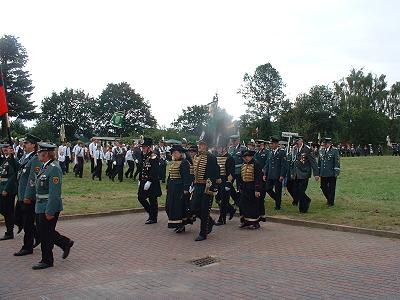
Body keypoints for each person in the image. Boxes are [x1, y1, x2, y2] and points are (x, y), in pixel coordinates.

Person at [32, 142, 74, 270]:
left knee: (45, 234)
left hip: (48, 207)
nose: (38, 154)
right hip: (41, 206)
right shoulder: (45, 166)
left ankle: (47, 260)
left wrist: (50, 211)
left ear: (45, 154)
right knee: (45, 232)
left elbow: (54, 193)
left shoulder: (54, 168)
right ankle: (65, 243)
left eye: (39, 152)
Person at [14, 134, 42, 256]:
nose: (24, 145)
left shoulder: (35, 159)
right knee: (19, 219)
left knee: (28, 223)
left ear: (33, 145)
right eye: (24, 143)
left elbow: (32, 180)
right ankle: (38, 237)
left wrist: (28, 196)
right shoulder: (26, 157)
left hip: (28, 197)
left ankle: (27, 247)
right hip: (21, 195)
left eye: (27, 143)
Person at [191, 133, 218, 241]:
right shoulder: (197, 156)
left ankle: (203, 233)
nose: (199, 146)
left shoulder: (211, 157)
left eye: (201, 145)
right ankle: (210, 222)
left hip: (207, 187)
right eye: (199, 144)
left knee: (204, 210)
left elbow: (214, 173)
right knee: (193, 208)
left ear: (206, 146)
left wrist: (211, 188)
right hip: (198, 186)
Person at [165, 144, 191, 233]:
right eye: (173, 153)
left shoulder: (185, 163)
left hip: (179, 188)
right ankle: (176, 223)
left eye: (175, 153)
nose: (173, 154)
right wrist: (167, 186)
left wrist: (186, 188)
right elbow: (170, 175)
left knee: (178, 207)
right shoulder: (173, 162)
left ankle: (181, 225)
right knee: (168, 206)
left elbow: (187, 177)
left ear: (181, 153)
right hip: (172, 187)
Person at [291, 136, 320, 213]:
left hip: (304, 173)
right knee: (296, 191)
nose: (296, 144)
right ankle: (307, 200)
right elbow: (294, 162)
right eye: (295, 142)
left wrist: (316, 174)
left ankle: (303, 209)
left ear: (301, 141)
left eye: (297, 142)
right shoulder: (295, 149)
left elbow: (313, 162)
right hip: (296, 174)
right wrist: (292, 172)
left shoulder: (307, 149)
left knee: (301, 191)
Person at [137, 137, 162, 224]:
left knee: (152, 199)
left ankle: (153, 218)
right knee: (140, 197)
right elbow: (142, 168)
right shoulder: (143, 155)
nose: (142, 149)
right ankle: (150, 213)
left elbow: (155, 170)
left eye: (144, 147)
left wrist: (150, 181)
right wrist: (140, 179)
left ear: (149, 147)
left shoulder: (153, 156)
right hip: (144, 180)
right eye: (142, 147)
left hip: (152, 181)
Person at [239, 149, 263, 229]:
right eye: (244, 157)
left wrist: (257, 190)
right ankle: (245, 221)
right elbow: (242, 176)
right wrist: (240, 186)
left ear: (251, 156)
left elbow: (258, 177)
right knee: (243, 204)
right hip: (245, 187)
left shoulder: (256, 164)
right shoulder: (243, 164)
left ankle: (255, 222)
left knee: (253, 206)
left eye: (247, 157)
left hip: (252, 187)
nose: (245, 158)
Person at [215, 137, 236, 226]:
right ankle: (231, 209)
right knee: (218, 199)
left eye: (219, 148)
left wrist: (228, 183)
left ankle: (222, 219)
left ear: (224, 148)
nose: (218, 149)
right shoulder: (217, 157)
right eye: (217, 148)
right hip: (218, 182)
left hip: (225, 182)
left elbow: (231, 173)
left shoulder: (230, 158)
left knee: (223, 201)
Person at [0, 143, 18, 240]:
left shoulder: (12, 160)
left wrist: (6, 189)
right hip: (2, 188)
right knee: (5, 210)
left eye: (7, 147)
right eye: (3, 147)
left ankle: (9, 232)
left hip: (9, 190)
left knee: (8, 211)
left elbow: (12, 176)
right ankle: (18, 222)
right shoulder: (4, 160)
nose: (5, 149)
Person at [263, 137, 287, 211]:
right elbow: (267, 164)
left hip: (277, 175)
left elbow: (284, 165)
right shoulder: (270, 152)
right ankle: (277, 199)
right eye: (270, 144)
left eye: (272, 143)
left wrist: (282, 175)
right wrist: (264, 174)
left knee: (278, 190)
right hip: (270, 175)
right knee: (267, 188)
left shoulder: (281, 152)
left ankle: (278, 205)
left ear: (277, 144)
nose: (271, 145)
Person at [319, 138, 340, 207]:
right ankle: (329, 198)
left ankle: (331, 202)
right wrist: (318, 172)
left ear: (329, 143)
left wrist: (336, 172)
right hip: (323, 172)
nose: (324, 145)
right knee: (323, 186)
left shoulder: (335, 150)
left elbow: (337, 162)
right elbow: (320, 161)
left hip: (331, 173)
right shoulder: (321, 150)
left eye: (325, 144)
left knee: (331, 188)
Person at [254, 139, 269, 221]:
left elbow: (267, 163)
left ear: (262, 145)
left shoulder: (267, 153)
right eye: (257, 146)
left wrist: (264, 173)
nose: (258, 147)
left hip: (263, 175)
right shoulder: (256, 153)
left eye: (259, 146)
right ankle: (259, 211)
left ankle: (262, 213)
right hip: (257, 176)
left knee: (262, 192)